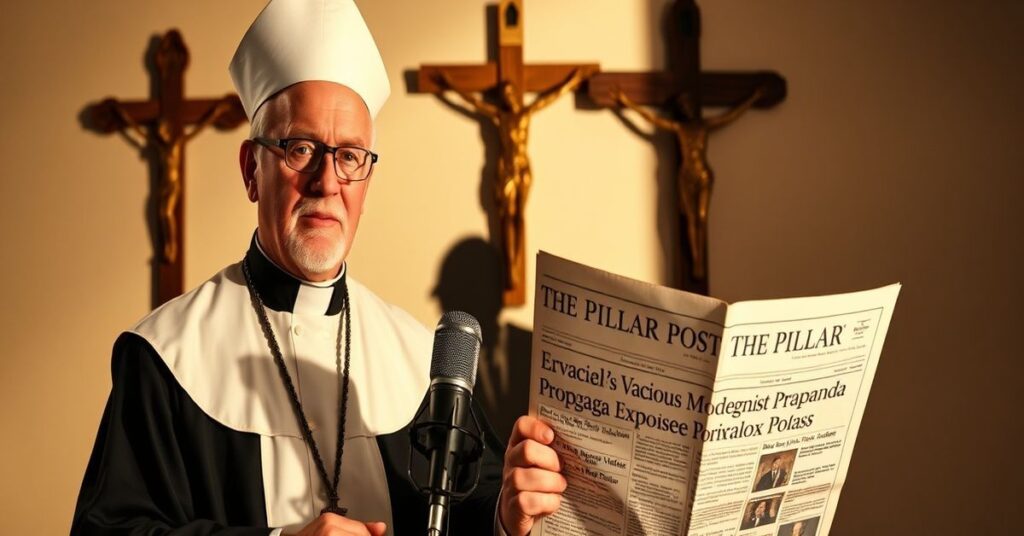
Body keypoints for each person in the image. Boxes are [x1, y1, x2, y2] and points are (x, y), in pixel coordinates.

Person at [71, 1, 565, 535]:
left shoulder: (420, 358)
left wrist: (506, 517)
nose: (327, 182)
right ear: (251, 171)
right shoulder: (164, 356)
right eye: (301, 148)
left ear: (367, 180)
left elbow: (470, 512)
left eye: (351, 156)